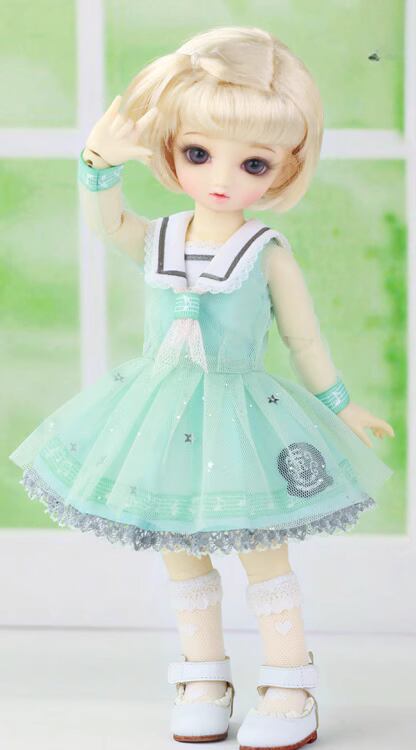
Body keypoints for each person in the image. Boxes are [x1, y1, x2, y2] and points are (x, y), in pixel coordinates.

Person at [9, 26, 395, 749]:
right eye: (197, 153)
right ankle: (203, 676)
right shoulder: (160, 238)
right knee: (179, 548)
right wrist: (97, 164)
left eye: (253, 163)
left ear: (284, 167)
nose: (222, 177)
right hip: (160, 410)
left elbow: (303, 340)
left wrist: (341, 405)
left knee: (263, 552)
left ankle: (289, 681)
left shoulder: (265, 252)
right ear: (171, 151)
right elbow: (111, 225)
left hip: (241, 414)